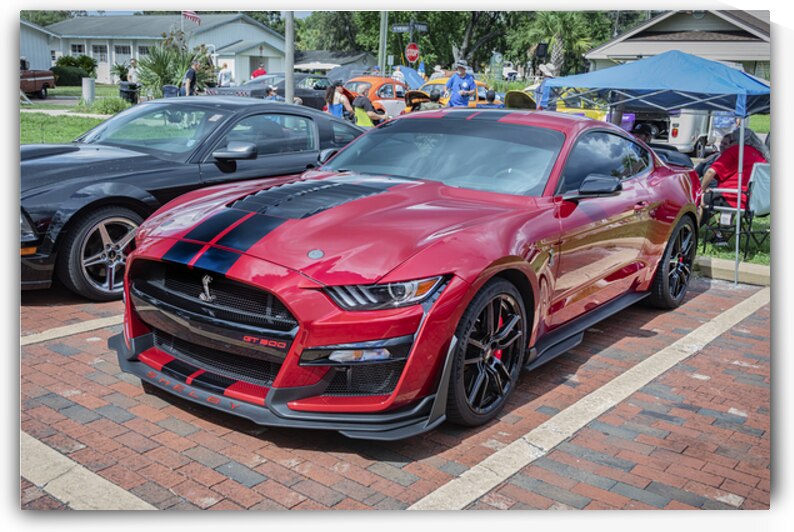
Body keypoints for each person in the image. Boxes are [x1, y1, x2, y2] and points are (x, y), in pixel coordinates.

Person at [701, 129, 767, 211]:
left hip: (731, 197)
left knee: (698, 198)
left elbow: (710, 172)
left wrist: (702, 189)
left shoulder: (736, 150)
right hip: (750, 201)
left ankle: (694, 223)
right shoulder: (760, 155)